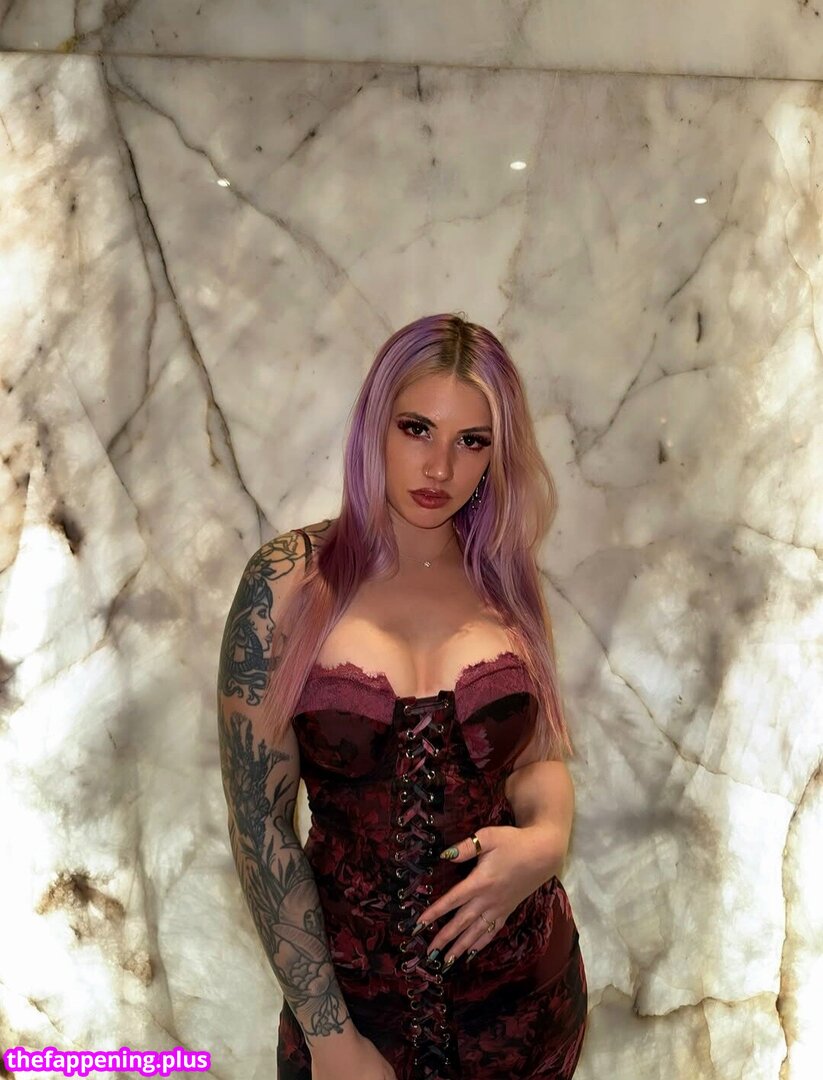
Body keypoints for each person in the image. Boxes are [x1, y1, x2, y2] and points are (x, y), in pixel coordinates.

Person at [217, 313, 588, 1079]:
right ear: (373, 426)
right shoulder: (288, 581)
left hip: (525, 1006)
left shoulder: (502, 579)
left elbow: (536, 759)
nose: (439, 467)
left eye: (471, 441)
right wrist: (329, 1039)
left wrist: (545, 841)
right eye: (416, 428)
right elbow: (259, 827)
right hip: (353, 1016)